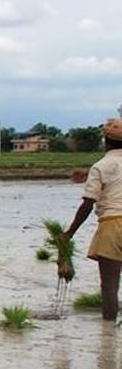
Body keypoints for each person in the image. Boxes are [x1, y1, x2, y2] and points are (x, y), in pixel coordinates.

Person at [64, 117, 122, 321]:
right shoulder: (99, 168)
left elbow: (87, 204)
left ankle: (108, 333)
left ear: (106, 141)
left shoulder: (101, 166)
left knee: (110, 286)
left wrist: (69, 233)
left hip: (112, 226)